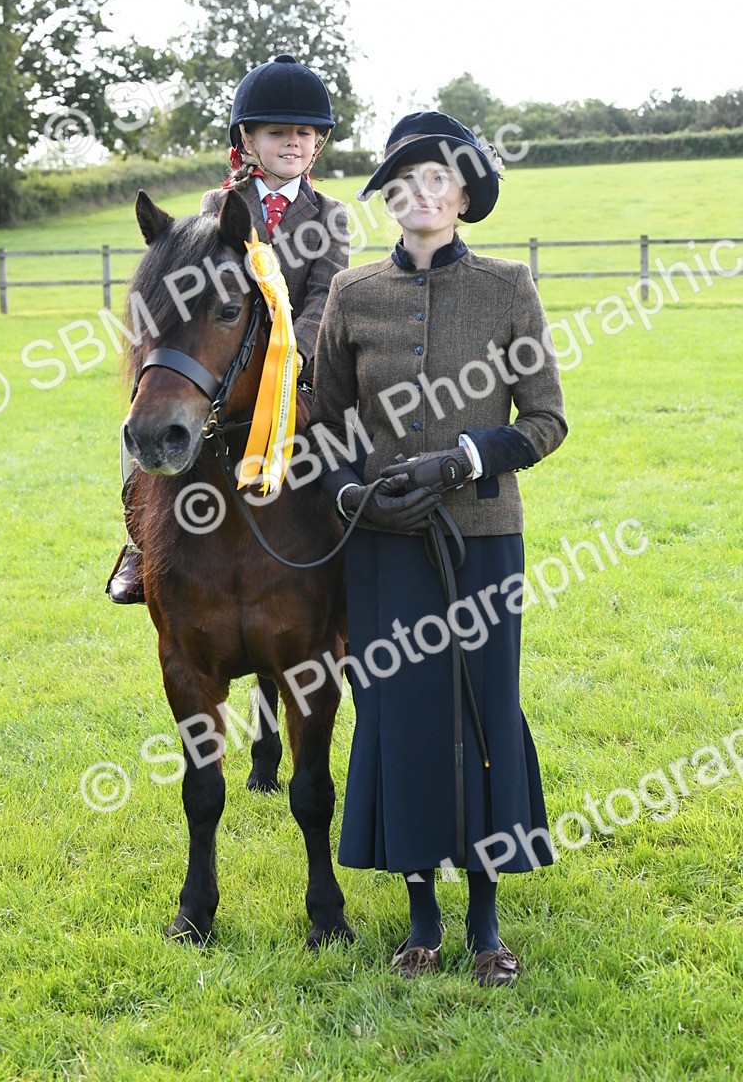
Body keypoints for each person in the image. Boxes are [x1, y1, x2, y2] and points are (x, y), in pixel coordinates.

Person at [309, 111, 568, 984]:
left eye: (436, 179)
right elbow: (325, 424)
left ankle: (486, 927)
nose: (417, 193)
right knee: (398, 716)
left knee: (481, 711)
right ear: (388, 200)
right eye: (401, 181)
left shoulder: (506, 286)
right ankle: (421, 920)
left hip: (485, 536)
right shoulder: (351, 294)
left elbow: (545, 420)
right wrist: (353, 492)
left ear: (463, 196)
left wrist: (460, 458)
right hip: (380, 546)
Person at [107, 54, 350, 602]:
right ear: (249, 139)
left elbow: (325, 292)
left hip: (297, 366)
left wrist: (296, 357)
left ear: (318, 144)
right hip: (223, 357)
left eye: (304, 134)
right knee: (139, 428)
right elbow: (196, 291)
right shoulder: (219, 204)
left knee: (349, 435)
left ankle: (355, 546)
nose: (292, 142)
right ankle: (142, 546)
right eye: (277, 132)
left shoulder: (331, 215)